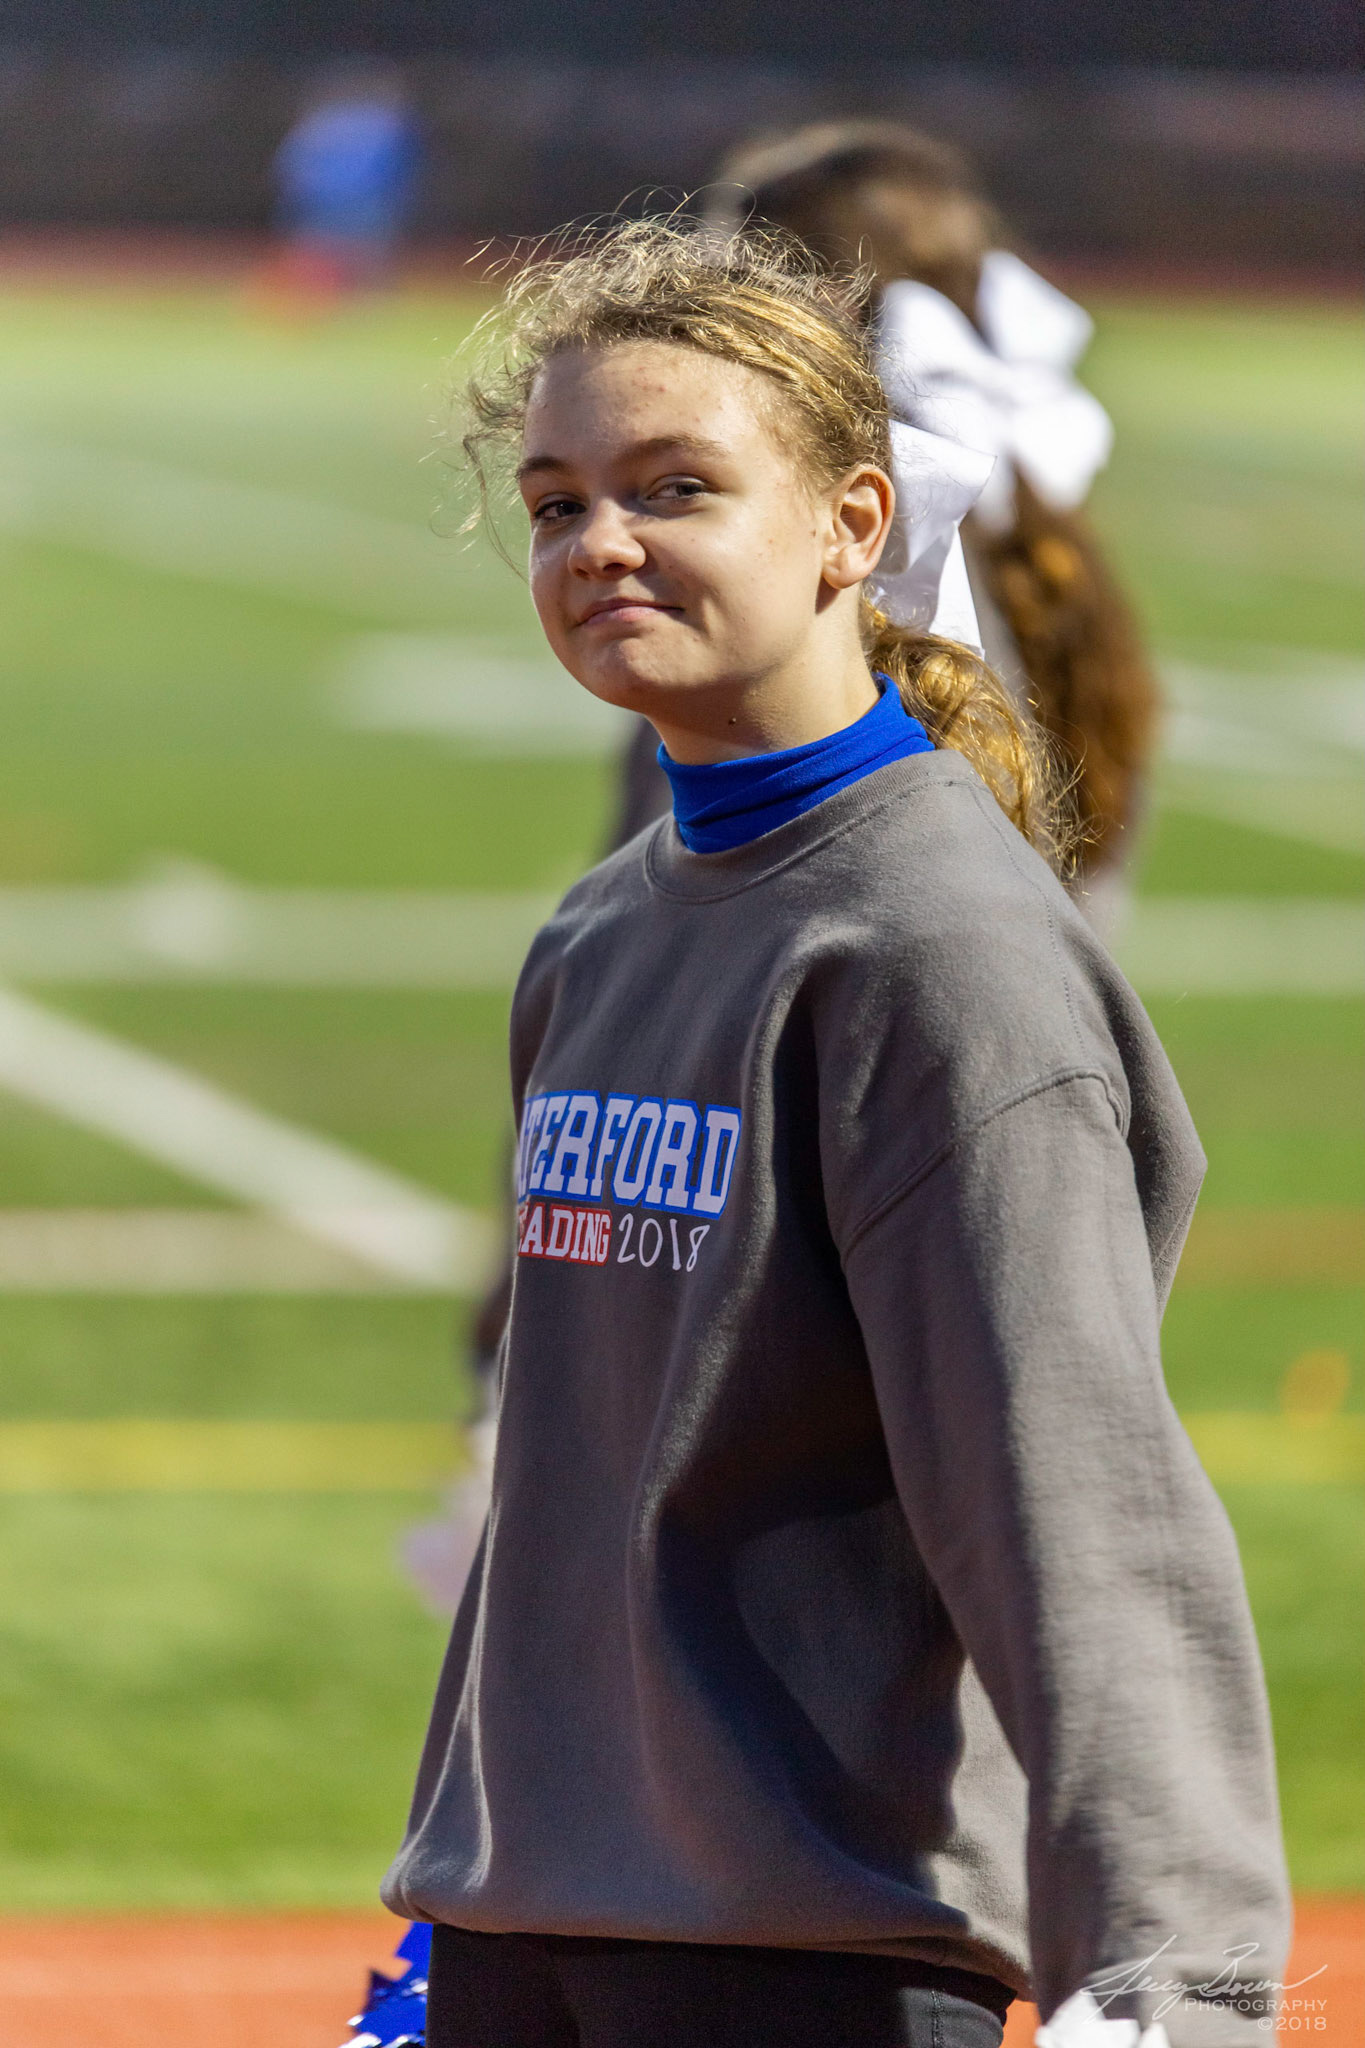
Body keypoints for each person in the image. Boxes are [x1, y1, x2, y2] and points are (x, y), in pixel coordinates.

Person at [377, 220, 1287, 2048]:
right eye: (556, 504)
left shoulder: (935, 955)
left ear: (850, 526)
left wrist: (1175, 1980)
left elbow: (1071, 1499)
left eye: (674, 487)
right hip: (529, 1917)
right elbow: (575, 1484)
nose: (598, 542)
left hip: (806, 1948)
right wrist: (450, 1906)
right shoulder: (603, 929)